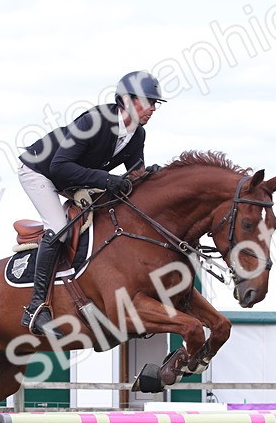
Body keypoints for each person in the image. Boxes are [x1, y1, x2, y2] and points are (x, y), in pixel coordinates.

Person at [16, 70, 167, 339]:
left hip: (72, 175)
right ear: (128, 100)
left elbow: (134, 175)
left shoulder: (137, 134)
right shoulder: (95, 120)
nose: (153, 109)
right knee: (60, 228)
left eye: (155, 104)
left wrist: (153, 178)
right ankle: (36, 308)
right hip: (40, 170)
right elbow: (59, 166)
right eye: (149, 102)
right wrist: (107, 179)